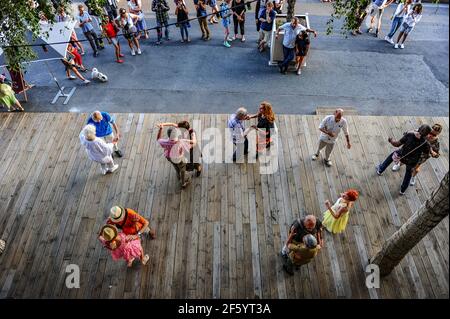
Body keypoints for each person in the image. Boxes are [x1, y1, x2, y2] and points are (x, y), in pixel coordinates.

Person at [376, 124, 432, 195]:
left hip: (402, 155)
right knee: (408, 175)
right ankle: (402, 190)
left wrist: (391, 140)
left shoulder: (410, 135)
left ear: (419, 129)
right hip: (412, 161)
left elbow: (396, 144)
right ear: (427, 134)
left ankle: (380, 170)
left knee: (391, 156)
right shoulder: (425, 143)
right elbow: (427, 153)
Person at [157, 123, 197, 188]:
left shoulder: (164, 142)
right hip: (179, 159)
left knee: (175, 166)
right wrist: (190, 138)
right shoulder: (181, 142)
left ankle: (178, 175)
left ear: (169, 135)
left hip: (169, 157)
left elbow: (158, 139)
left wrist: (161, 129)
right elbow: (193, 144)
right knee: (183, 170)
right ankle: (183, 183)